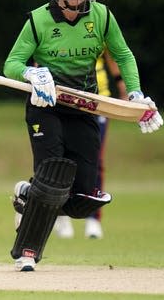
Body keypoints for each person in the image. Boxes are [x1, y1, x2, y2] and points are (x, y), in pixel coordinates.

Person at [3, 0, 163, 272]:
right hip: (46, 105)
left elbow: (124, 55)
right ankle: (28, 252)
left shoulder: (102, 17)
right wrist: (32, 74)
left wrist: (135, 94)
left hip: (84, 105)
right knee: (52, 178)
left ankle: (27, 194)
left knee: (82, 200)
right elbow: (11, 65)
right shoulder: (38, 20)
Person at [53, 51, 128, 239]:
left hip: (98, 101)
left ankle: (93, 218)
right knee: (64, 158)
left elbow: (113, 56)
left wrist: (121, 83)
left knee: (95, 160)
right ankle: (62, 214)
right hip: (68, 98)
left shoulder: (100, 24)